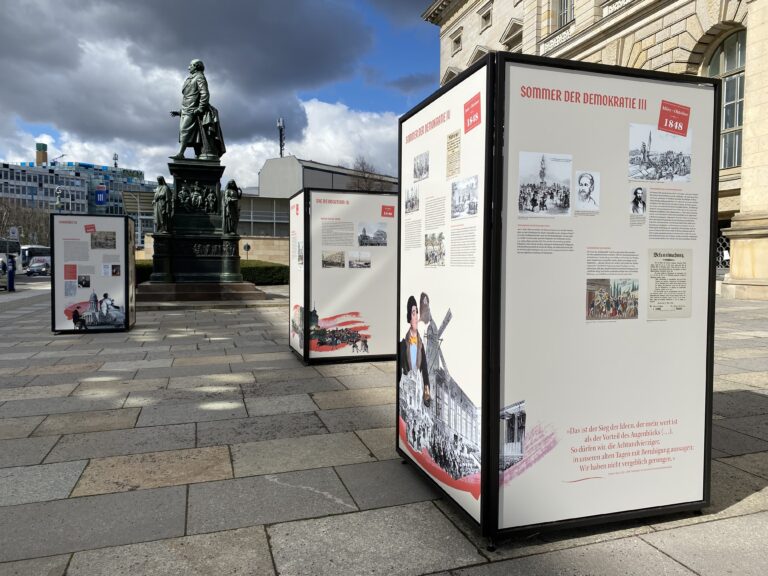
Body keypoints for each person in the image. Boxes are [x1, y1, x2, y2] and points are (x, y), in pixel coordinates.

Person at [169, 59, 226, 160]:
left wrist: (200, 108)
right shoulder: (190, 78)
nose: (188, 67)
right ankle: (196, 154)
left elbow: (204, 93)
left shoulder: (200, 77)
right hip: (186, 110)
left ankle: (181, 153)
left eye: (190, 65)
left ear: (196, 66)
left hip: (192, 110)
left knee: (184, 131)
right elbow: (189, 96)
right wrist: (180, 112)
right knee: (194, 134)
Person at [399, 295, 431, 406]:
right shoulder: (402, 344)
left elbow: (425, 371)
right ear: (409, 318)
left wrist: (427, 390)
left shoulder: (420, 345)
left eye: (417, 312)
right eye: (413, 313)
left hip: (417, 402)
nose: (416, 316)